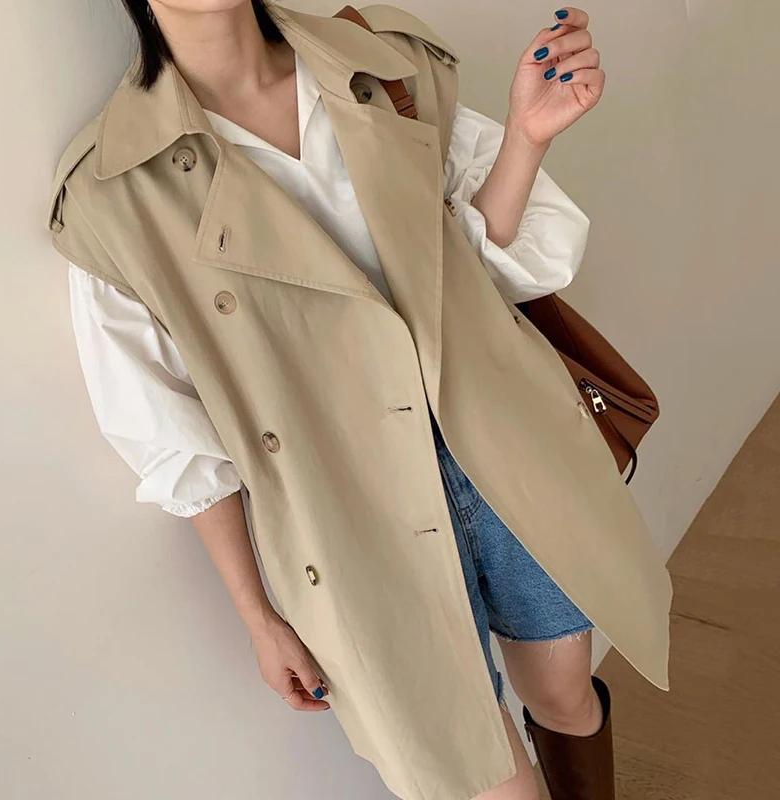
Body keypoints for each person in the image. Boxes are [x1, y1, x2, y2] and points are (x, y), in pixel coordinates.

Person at [47, 3, 672, 799]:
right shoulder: (112, 191)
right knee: (482, 778)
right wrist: (259, 616)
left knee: (564, 697)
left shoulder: (379, 62)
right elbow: (172, 436)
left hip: (501, 446)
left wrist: (526, 137)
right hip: (350, 517)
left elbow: (469, 279)